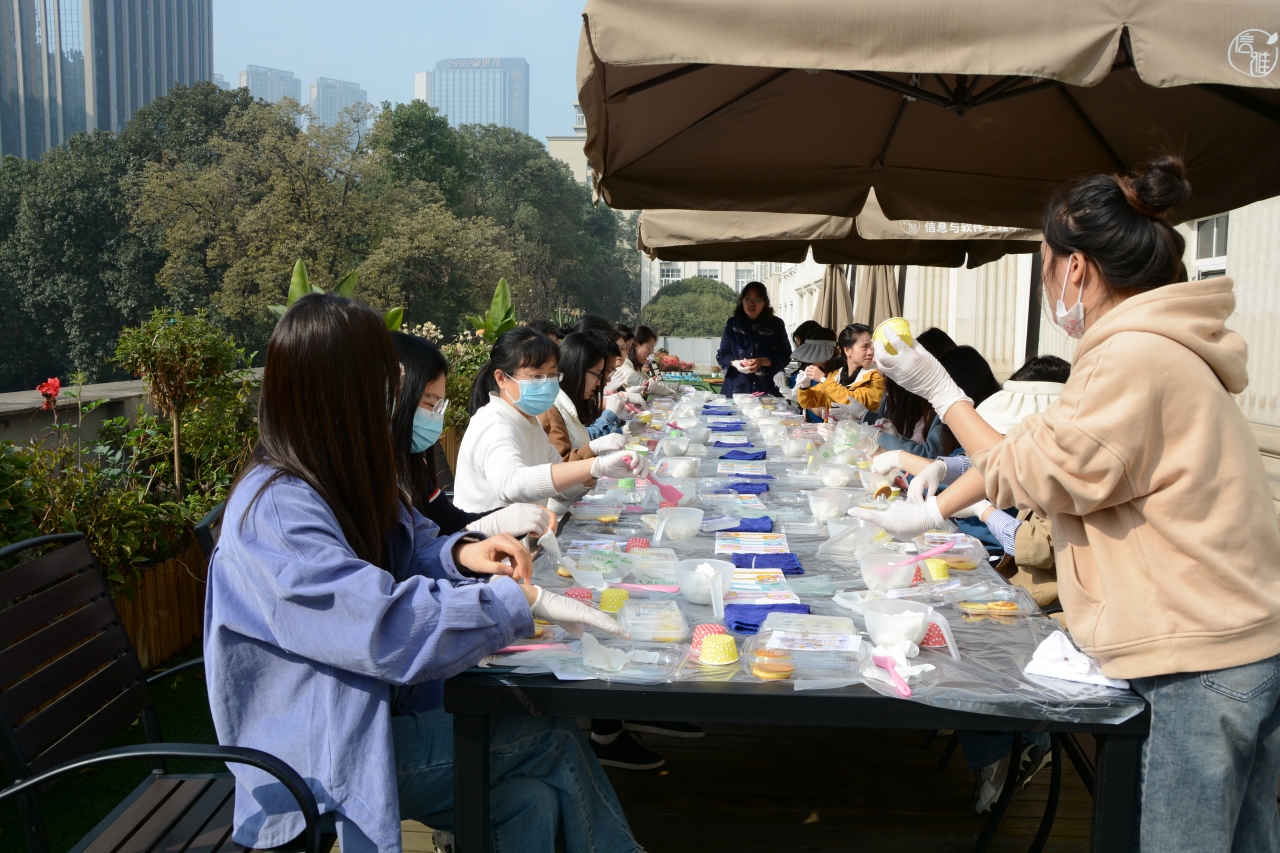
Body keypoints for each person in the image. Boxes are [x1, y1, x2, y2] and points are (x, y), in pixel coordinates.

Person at [855, 156, 1280, 853]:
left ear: (1076, 267)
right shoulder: (1158, 345)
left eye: (1046, 266)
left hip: (1198, 658)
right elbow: (1036, 451)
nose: (1051, 282)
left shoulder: (1134, 354)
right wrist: (937, 465)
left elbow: (1030, 466)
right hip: (1236, 641)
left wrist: (938, 420)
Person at [205, 294, 639, 853]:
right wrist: (514, 604)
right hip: (320, 747)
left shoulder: (336, 476)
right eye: (380, 386)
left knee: (530, 800)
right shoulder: (279, 510)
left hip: (372, 712)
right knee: (548, 739)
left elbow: (410, 543)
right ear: (335, 393)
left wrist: (462, 555)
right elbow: (380, 624)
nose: (393, 403)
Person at [453, 327, 648, 514]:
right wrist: (595, 465)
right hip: (487, 544)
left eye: (552, 375)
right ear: (502, 378)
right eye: (536, 376)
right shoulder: (494, 423)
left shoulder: (531, 423)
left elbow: (561, 489)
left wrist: (596, 471)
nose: (546, 383)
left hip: (527, 540)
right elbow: (511, 483)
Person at [390, 331, 555, 540]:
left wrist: (507, 519)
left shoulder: (413, 465)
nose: (433, 416)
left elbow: (447, 521)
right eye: (429, 403)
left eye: (438, 406)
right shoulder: (494, 423)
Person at [537, 332, 629, 464]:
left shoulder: (572, 404)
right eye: (598, 374)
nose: (600, 382)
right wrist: (593, 449)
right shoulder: (551, 410)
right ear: (577, 370)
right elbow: (561, 467)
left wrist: (623, 431)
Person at [716, 281, 791, 397]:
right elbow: (722, 355)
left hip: (766, 388)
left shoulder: (776, 324)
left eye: (756, 299)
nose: (751, 304)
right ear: (742, 301)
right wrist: (736, 363)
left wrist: (762, 361)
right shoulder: (733, 323)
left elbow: (785, 355)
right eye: (747, 299)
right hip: (735, 388)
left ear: (764, 303)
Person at [796, 323, 885, 417]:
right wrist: (804, 386)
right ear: (847, 351)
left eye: (872, 348)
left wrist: (824, 380)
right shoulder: (836, 375)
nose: (870, 352)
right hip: (834, 430)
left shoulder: (877, 375)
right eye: (865, 347)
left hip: (862, 430)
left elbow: (856, 402)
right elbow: (809, 402)